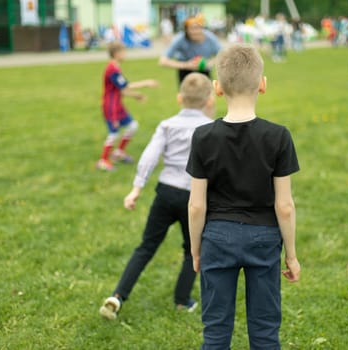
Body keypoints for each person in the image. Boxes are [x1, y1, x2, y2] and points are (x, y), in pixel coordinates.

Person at [186, 43, 301, 349]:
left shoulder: (203, 137)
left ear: (217, 88)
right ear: (262, 85)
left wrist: (196, 249)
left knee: (215, 332)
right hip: (264, 239)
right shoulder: (278, 136)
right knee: (264, 331)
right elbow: (285, 206)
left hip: (217, 238)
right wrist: (290, 254)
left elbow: (197, 205)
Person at [99, 72, 215, 320]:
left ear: (179, 98)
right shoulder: (211, 129)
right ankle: (182, 301)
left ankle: (118, 296)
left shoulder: (167, 125)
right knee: (192, 250)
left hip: (164, 193)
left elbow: (149, 157)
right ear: (209, 101)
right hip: (192, 199)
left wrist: (136, 189)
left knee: (146, 247)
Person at [97, 41, 158, 171]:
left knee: (132, 125)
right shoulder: (112, 69)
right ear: (116, 54)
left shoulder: (116, 67)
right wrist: (147, 83)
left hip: (118, 105)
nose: (126, 54)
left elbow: (122, 90)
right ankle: (103, 160)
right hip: (111, 107)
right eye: (124, 52)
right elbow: (126, 86)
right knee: (113, 133)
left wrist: (136, 96)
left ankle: (118, 152)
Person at [159, 14, 221, 85]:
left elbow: (223, 55)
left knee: (207, 94)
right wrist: (186, 65)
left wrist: (209, 63)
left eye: (197, 28)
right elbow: (163, 61)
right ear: (186, 30)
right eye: (191, 28)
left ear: (202, 28)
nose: (195, 31)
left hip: (204, 70)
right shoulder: (180, 39)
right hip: (185, 71)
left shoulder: (211, 38)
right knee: (187, 95)